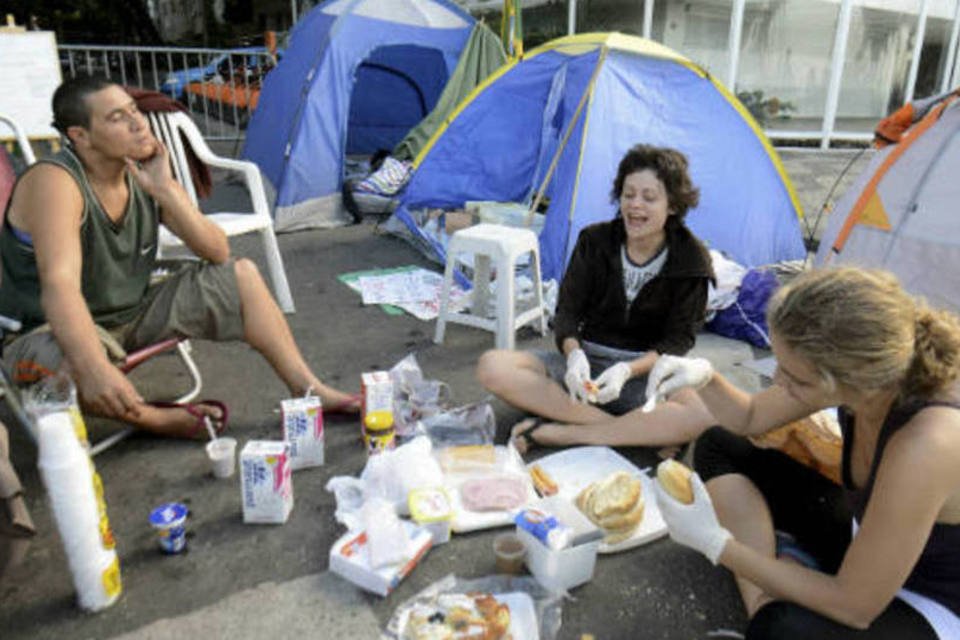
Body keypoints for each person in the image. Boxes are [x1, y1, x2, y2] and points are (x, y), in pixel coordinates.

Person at [0, 76, 359, 439]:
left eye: (134, 111)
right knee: (71, 360)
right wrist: (91, 364)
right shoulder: (56, 181)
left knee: (240, 275)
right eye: (116, 118)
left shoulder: (138, 175)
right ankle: (155, 420)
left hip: (129, 314)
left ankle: (308, 389)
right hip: (45, 331)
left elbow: (217, 251)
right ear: (80, 136)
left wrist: (166, 190)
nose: (138, 123)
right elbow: (59, 284)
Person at [649, 267, 960, 639]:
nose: (778, 381)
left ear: (854, 379)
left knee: (781, 629)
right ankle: (768, 595)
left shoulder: (927, 442)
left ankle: (771, 603)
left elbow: (855, 606)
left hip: (930, 600)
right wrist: (704, 377)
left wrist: (718, 545)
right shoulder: (867, 381)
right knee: (720, 443)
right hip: (867, 539)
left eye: (796, 379)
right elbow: (750, 416)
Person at [475, 144, 715, 451]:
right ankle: (623, 430)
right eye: (628, 195)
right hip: (584, 367)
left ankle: (559, 432)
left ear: (672, 206)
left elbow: (678, 342)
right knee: (493, 366)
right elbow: (567, 314)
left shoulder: (691, 259)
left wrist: (627, 370)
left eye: (649, 197)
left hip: (643, 375)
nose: (635, 205)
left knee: (701, 416)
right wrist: (574, 355)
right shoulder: (594, 241)